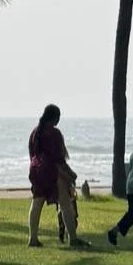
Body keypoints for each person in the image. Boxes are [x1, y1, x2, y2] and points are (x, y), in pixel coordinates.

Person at [27, 104, 87, 248]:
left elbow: (33, 154)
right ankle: (73, 238)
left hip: (37, 170)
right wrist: (69, 175)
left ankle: (33, 238)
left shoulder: (35, 132)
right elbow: (58, 159)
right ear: (55, 118)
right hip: (52, 171)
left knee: (36, 204)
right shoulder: (54, 133)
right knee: (66, 204)